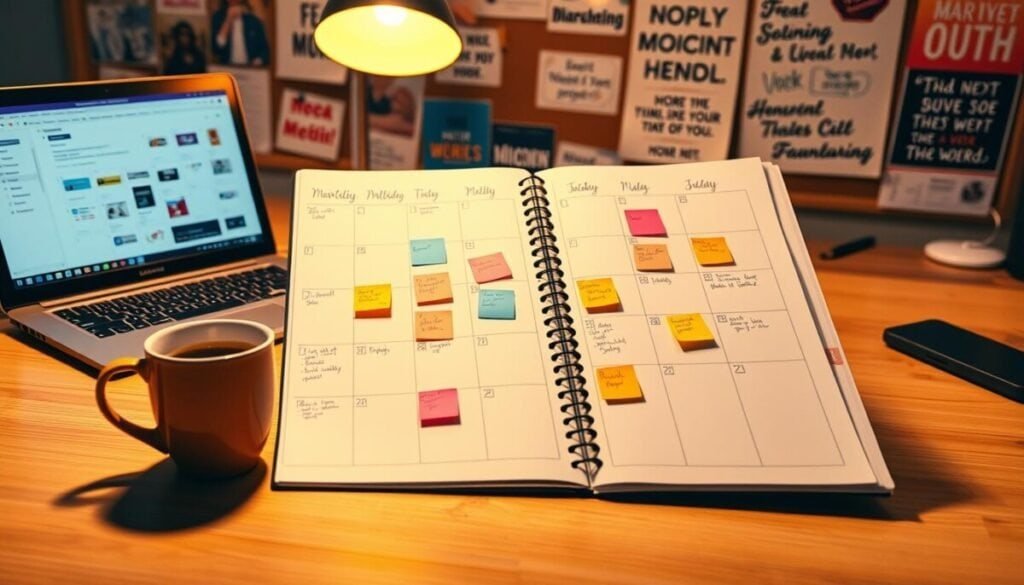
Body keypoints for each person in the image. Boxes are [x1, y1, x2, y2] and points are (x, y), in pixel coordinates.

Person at [211, 0, 270, 66]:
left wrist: (256, 62)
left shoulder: (254, 21)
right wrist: (228, 20)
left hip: (251, 69)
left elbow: (265, 51)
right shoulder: (217, 17)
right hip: (227, 68)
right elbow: (218, 47)